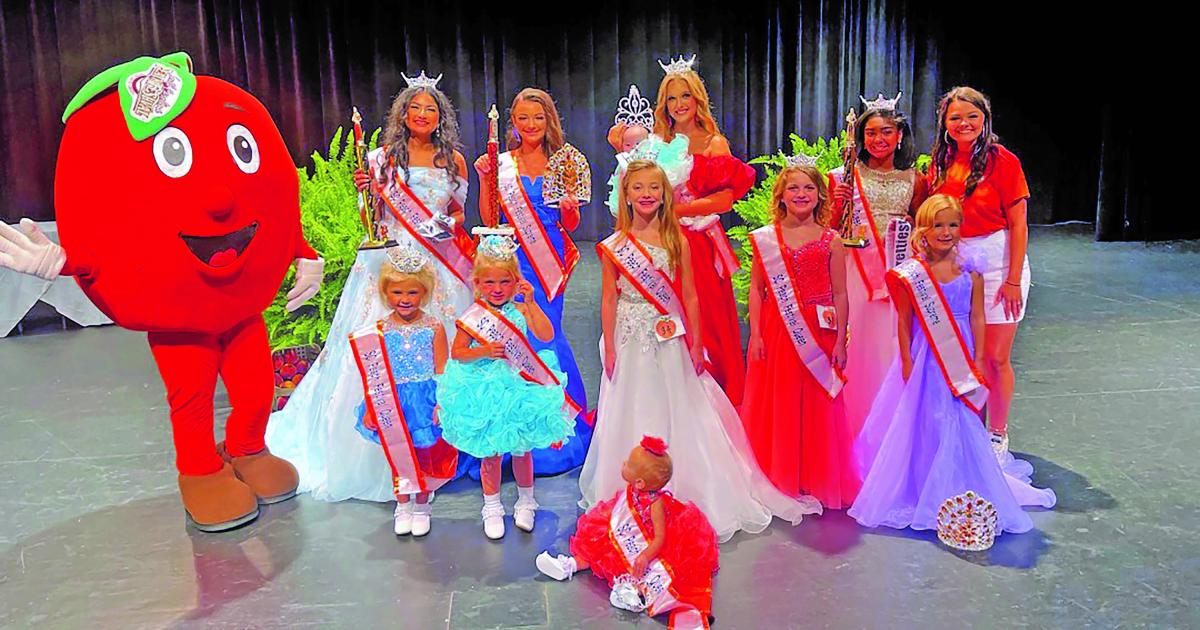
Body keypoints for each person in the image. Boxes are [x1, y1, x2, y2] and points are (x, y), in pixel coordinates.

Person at [580, 160, 820, 542]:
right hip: (628, 334)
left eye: (653, 188)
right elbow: (609, 300)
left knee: (677, 402)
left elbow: (689, 295)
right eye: (637, 187)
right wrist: (608, 344)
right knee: (632, 402)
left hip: (670, 335)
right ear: (625, 195)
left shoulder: (677, 240)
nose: (646, 194)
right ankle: (631, 483)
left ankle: (684, 480)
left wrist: (695, 341)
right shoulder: (615, 247)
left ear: (665, 195)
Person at [266, 72, 471, 502]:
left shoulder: (452, 159)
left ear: (441, 116)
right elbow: (374, 217)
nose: (422, 115)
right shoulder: (378, 159)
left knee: (441, 351)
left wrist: (438, 227)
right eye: (415, 108)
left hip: (438, 262)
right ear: (403, 113)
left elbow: (457, 216)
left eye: (430, 109)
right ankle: (378, 452)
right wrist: (368, 194)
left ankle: (447, 451)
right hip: (390, 261)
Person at [848, 195, 1056, 533]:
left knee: (957, 417)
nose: (946, 232)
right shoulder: (912, 274)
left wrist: (976, 358)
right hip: (924, 358)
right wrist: (904, 357)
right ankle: (923, 484)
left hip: (959, 359)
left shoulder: (971, 271)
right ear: (923, 230)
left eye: (953, 225)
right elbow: (903, 320)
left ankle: (955, 482)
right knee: (925, 417)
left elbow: (976, 317)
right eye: (938, 225)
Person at [607, 55, 754, 405]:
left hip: (699, 243)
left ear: (697, 98)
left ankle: (716, 401)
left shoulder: (714, 143)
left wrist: (677, 209)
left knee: (706, 320)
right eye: (671, 99)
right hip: (660, 241)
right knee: (665, 318)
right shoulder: (658, 141)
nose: (678, 105)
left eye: (684, 96)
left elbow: (725, 201)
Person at [474, 87, 590, 474]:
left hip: (549, 259)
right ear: (513, 123)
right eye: (523, 118)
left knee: (546, 332)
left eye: (538, 118)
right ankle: (513, 432)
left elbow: (571, 224)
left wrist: (571, 209)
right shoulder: (501, 163)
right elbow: (490, 217)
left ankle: (556, 430)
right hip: (512, 260)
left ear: (549, 121)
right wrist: (485, 180)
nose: (531, 125)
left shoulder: (562, 162)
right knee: (514, 334)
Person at [435, 235, 575, 539]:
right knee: (492, 453)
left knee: (523, 450)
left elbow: (546, 334)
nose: (497, 290)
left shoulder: (521, 309)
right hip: (485, 389)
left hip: (519, 385)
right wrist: (483, 351)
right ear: (477, 284)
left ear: (515, 282)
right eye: (489, 283)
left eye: (504, 282)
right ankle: (492, 506)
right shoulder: (472, 318)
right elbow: (458, 353)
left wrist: (532, 303)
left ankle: (526, 501)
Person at [740, 161, 860, 509]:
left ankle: (814, 475)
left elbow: (840, 293)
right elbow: (757, 290)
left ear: (820, 194)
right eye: (794, 188)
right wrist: (757, 334)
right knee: (782, 401)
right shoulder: (766, 238)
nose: (801, 194)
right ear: (781, 195)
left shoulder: (831, 240)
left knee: (818, 405)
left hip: (819, 335)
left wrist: (840, 340)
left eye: (808, 188)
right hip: (779, 331)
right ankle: (781, 475)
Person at [928, 86, 1031, 459]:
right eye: (955, 117)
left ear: (984, 119)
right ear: (945, 124)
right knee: (965, 354)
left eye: (972, 116)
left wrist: (1013, 278)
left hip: (998, 260)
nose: (964, 123)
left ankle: (997, 433)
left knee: (995, 358)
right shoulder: (938, 163)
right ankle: (969, 428)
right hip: (955, 265)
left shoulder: (1003, 161)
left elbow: (1019, 225)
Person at [537, 436, 718, 629]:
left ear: (639, 482)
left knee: (642, 569)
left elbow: (660, 538)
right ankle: (570, 565)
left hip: (648, 545)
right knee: (598, 543)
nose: (623, 464)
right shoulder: (635, 490)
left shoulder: (656, 504)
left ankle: (631, 591)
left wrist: (645, 556)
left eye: (628, 464)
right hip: (625, 531)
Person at [830, 93, 929, 435]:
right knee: (860, 345)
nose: (879, 140)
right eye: (871, 133)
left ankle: (895, 423)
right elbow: (830, 229)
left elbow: (925, 226)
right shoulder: (844, 175)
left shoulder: (915, 179)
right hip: (857, 271)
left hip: (898, 271)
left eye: (886, 132)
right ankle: (856, 422)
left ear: (899, 135)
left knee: (893, 342)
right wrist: (836, 204)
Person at [349, 249, 457, 536]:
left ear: (425, 292)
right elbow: (373, 373)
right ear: (386, 292)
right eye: (397, 292)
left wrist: (441, 403)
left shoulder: (433, 326)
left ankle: (422, 504)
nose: (405, 299)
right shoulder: (380, 329)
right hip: (391, 400)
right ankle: (402, 504)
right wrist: (373, 406)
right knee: (397, 452)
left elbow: (442, 369)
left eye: (413, 292)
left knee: (424, 454)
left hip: (424, 400)